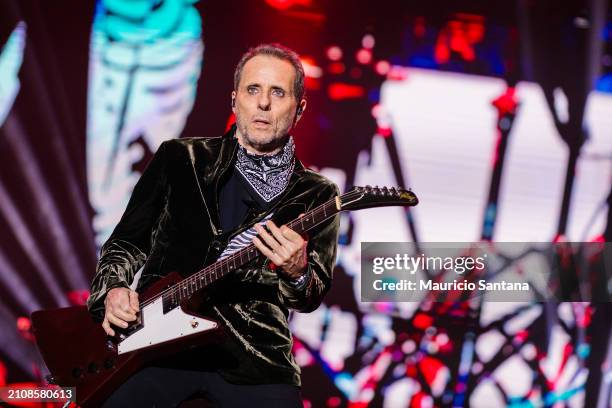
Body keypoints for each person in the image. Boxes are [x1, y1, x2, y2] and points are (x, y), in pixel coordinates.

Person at [86, 43, 340, 407]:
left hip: (256, 361)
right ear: (234, 100)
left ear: (299, 109)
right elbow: (126, 244)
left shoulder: (317, 193)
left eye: (278, 92)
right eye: (253, 90)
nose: (263, 104)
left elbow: (310, 295)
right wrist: (112, 289)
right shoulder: (180, 158)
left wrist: (297, 272)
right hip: (157, 347)